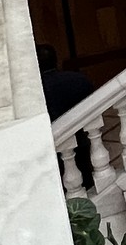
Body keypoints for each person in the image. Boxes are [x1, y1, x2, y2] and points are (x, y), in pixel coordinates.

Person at [38, 43, 94, 190]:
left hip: (52, 146)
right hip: (82, 139)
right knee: (86, 178)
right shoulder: (78, 79)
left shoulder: (36, 91)